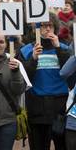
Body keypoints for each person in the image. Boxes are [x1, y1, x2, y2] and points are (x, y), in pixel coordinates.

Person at [18, 12, 70, 150]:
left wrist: (58, 48)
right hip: (36, 105)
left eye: (50, 26)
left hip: (60, 104)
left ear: (55, 28)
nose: (47, 29)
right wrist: (33, 58)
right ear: (37, 28)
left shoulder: (64, 48)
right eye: (43, 26)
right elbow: (23, 79)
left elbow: (70, 73)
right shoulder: (26, 50)